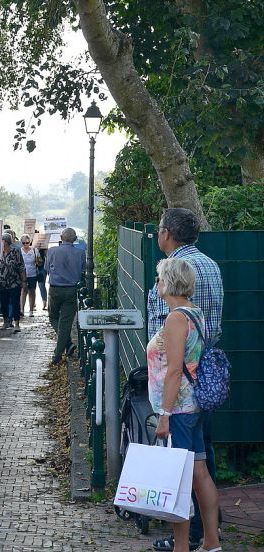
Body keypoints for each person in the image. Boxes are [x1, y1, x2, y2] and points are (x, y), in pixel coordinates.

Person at [147, 208, 224, 552]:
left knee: (178, 478)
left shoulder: (176, 318)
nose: (157, 284)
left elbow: (173, 368)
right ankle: (211, 541)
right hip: (199, 396)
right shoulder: (199, 305)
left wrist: (164, 412)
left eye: (160, 281)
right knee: (200, 470)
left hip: (179, 404)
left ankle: (182, 545)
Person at [47, 228, 86, 364]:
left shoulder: (52, 251)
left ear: (61, 237)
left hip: (55, 289)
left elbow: (47, 268)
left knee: (53, 317)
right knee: (65, 322)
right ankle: (67, 343)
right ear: (74, 239)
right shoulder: (80, 253)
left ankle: (57, 355)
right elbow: (83, 270)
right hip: (71, 290)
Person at [0, 233, 26, 332]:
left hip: (14, 281)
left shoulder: (15, 251)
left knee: (15, 303)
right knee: (3, 303)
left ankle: (16, 323)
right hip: (1, 282)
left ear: (6, 242)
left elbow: (21, 266)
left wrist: (24, 280)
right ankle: (6, 322)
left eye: (2, 241)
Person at [18, 234, 40, 315]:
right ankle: (22, 309)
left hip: (32, 273)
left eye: (27, 243)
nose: (25, 245)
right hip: (22, 274)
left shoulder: (34, 250)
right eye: (23, 243)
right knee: (23, 291)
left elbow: (39, 261)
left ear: (30, 242)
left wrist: (39, 261)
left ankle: (31, 310)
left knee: (32, 291)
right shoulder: (19, 251)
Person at [34, 231, 49, 310]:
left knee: (41, 285)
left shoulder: (44, 246)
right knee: (32, 287)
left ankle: (44, 302)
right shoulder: (28, 245)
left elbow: (47, 256)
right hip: (33, 267)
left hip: (42, 267)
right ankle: (33, 304)